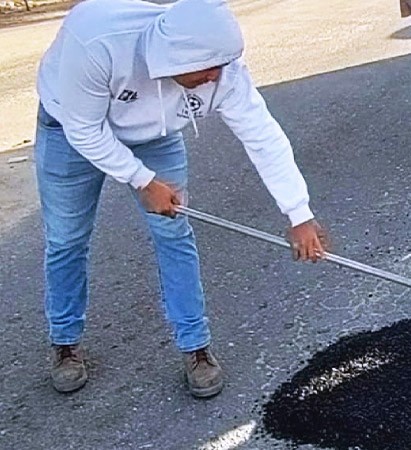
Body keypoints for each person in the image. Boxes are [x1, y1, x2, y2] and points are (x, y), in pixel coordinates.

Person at [34, 0, 327, 398]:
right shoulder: (98, 38)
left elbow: (263, 136)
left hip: (156, 136)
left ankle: (195, 348)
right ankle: (65, 343)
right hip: (68, 128)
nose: (216, 77)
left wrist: (299, 213)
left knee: (174, 234)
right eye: (208, 68)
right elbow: (84, 129)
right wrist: (141, 179)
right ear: (175, 57)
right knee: (66, 238)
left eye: (221, 67)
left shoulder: (221, 71)